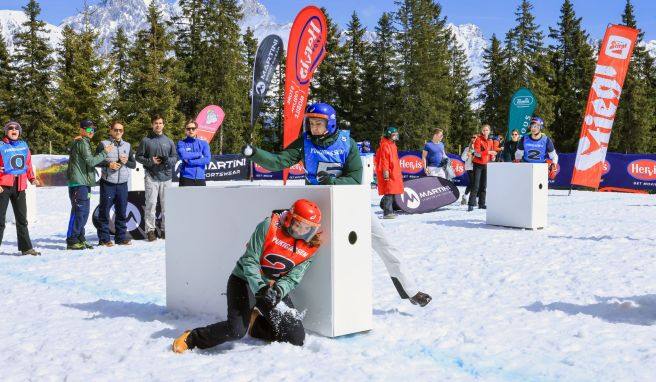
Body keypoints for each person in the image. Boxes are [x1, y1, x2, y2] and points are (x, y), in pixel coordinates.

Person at [242, 103, 431, 307]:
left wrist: (334, 182)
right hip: (319, 206)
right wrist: (254, 154)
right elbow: (279, 161)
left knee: (385, 244)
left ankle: (411, 290)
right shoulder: (304, 142)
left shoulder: (346, 143)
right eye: (311, 123)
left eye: (318, 123)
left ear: (330, 124)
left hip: (349, 203)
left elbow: (355, 178)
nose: (313, 127)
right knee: (312, 254)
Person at [172, 199, 323, 352]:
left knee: (296, 339)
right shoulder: (269, 226)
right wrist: (261, 288)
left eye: (306, 228)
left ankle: (256, 323)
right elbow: (250, 260)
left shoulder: (311, 247)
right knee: (236, 331)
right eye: (298, 224)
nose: (300, 231)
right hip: (244, 282)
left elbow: (293, 277)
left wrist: (278, 291)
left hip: (272, 289)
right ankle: (192, 338)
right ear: (289, 219)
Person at [66, 120, 114, 250]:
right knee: (78, 212)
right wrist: (105, 152)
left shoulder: (82, 142)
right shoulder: (82, 142)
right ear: (81, 130)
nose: (91, 132)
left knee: (84, 212)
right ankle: (72, 240)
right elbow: (91, 162)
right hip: (78, 183)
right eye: (88, 129)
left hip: (84, 183)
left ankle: (80, 238)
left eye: (93, 130)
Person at [0, 121, 41, 256]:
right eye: (10, 128)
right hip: (3, 186)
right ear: (6, 131)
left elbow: (27, 165)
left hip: (19, 185)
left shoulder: (24, 146)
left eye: (16, 128)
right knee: (0, 220)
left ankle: (26, 248)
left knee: (22, 219)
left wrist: (32, 178)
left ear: (19, 132)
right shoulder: (1, 146)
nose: (14, 130)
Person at [135, 115, 177, 241]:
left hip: (167, 177)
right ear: (152, 125)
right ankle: (150, 231)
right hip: (151, 176)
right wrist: (150, 160)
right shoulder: (146, 140)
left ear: (163, 125)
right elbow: (138, 157)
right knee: (151, 204)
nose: (158, 125)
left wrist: (166, 160)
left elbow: (175, 158)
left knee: (167, 206)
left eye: (160, 123)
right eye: (155, 123)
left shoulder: (169, 141)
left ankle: (165, 230)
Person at [95, 121, 136, 247]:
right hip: (108, 183)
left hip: (123, 183)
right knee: (104, 211)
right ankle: (104, 238)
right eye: (116, 130)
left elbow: (133, 165)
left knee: (122, 212)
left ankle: (120, 237)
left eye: (121, 130)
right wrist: (109, 164)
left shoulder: (127, 145)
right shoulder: (103, 144)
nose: (118, 132)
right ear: (111, 130)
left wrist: (127, 161)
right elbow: (94, 162)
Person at [375, 127, 403, 219]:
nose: (396, 136)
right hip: (389, 172)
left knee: (393, 191)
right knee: (389, 192)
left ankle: (386, 207)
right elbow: (384, 160)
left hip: (394, 171)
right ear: (390, 135)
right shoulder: (385, 145)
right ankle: (387, 212)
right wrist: (385, 172)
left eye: (396, 134)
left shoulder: (392, 144)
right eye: (394, 135)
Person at [467, 124, 496, 212]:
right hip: (478, 164)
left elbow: (490, 154)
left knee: (484, 186)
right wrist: (489, 152)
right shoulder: (478, 139)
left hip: (486, 164)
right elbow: (477, 153)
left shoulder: (491, 141)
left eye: (487, 130)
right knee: (476, 185)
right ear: (481, 131)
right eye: (483, 130)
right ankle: (471, 204)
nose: (485, 131)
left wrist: (492, 157)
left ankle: (481, 204)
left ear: (489, 131)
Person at [176, 120, 211, 187]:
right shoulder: (181, 143)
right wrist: (199, 154)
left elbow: (207, 159)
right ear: (185, 130)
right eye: (188, 129)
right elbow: (184, 155)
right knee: (185, 198)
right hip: (186, 177)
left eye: (193, 128)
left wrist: (190, 162)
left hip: (200, 178)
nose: (191, 130)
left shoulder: (204, 143)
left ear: (196, 130)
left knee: (202, 198)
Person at [460, 135, 477, 205]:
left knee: (475, 184)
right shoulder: (467, 148)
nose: (473, 139)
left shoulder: (479, 148)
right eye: (472, 137)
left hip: (478, 167)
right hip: (470, 168)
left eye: (475, 138)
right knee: (473, 183)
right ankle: (470, 198)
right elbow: (463, 158)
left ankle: (467, 197)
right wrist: (467, 154)